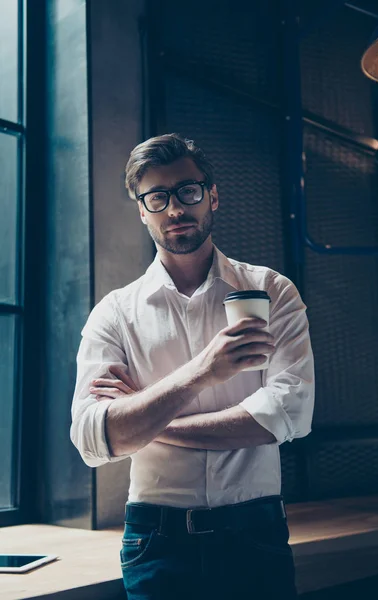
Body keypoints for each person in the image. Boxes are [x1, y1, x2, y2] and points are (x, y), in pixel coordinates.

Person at [70, 133, 315, 600]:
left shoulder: (272, 291)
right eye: (157, 198)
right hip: (155, 539)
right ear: (142, 210)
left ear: (212, 195)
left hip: (256, 530)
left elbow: (287, 415)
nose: (175, 209)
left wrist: (145, 419)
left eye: (187, 191)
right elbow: (92, 439)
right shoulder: (114, 313)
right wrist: (203, 370)